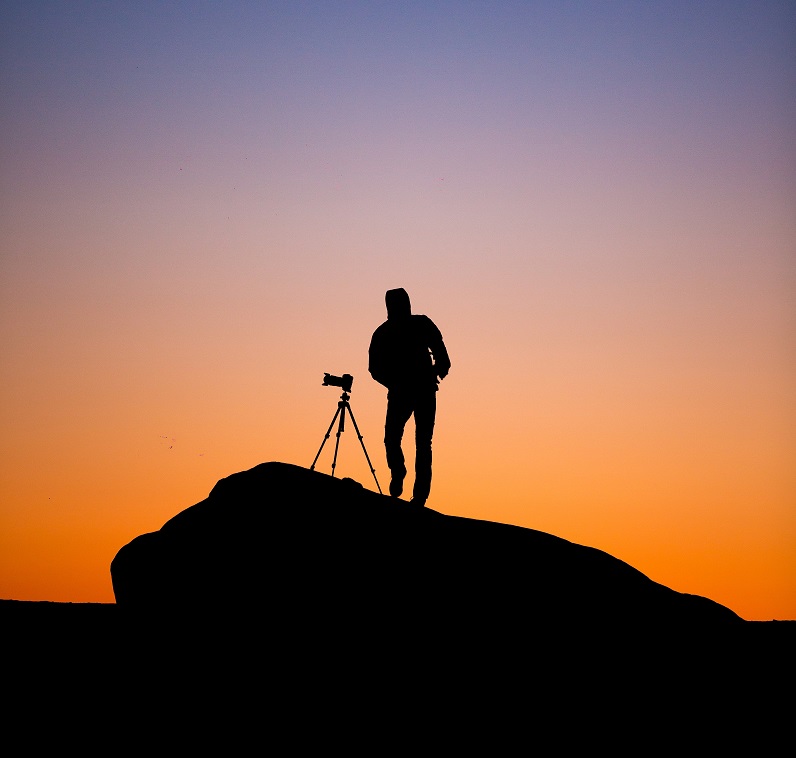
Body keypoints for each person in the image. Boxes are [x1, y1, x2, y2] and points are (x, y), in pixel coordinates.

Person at [368, 288, 451, 506]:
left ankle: (420, 495)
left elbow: (443, 357)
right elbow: (374, 368)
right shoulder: (383, 333)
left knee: (421, 443)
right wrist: (396, 383)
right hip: (403, 393)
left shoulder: (420, 324)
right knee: (395, 439)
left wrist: (436, 371)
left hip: (420, 392)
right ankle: (399, 472)